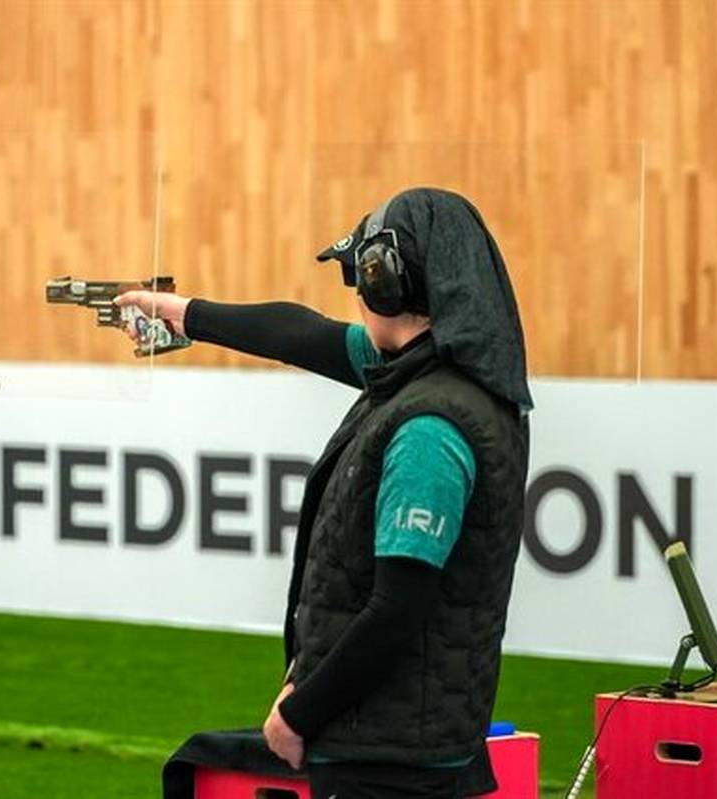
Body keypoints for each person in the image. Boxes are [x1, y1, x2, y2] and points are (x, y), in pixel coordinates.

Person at [117, 187, 532, 798]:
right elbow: (301, 334)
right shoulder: (436, 371)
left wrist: (300, 712)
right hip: (402, 743)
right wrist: (184, 313)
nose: (357, 295)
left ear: (387, 284)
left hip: (388, 764)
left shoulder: (431, 426)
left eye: (361, 277)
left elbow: (398, 609)